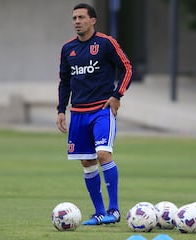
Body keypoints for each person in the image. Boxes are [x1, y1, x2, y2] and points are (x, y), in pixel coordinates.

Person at [56, 3, 133, 225]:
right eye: (74, 18)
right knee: (87, 162)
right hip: (78, 114)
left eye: (81, 17)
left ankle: (115, 210)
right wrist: (61, 110)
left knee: (103, 154)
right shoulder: (67, 49)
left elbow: (127, 67)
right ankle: (100, 213)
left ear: (93, 20)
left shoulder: (106, 43)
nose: (77, 21)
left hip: (101, 110)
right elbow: (65, 82)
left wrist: (117, 95)